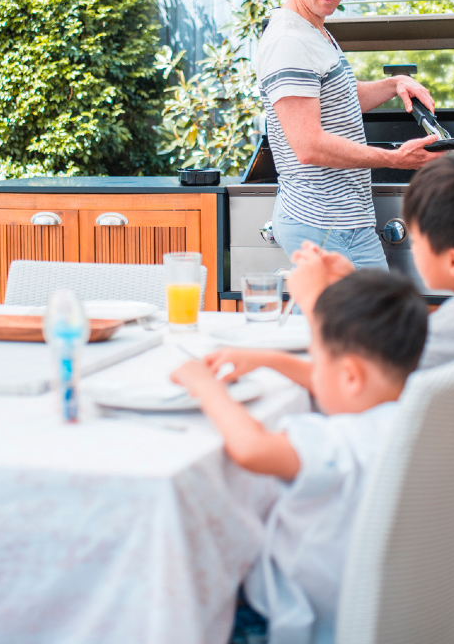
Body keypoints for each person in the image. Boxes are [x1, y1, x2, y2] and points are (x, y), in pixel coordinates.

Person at [170, 271, 427, 644]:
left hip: (294, 616)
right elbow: (344, 382)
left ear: (351, 376)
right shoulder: (417, 417)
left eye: (316, 360)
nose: (313, 371)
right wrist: (269, 359)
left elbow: (252, 449)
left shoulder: (337, 441)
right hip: (382, 605)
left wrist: (205, 387)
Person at [208, 149, 454, 384]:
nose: (414, 251)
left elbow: (345, 387)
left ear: (453, 261)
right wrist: (351, 282)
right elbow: (387, 348)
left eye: (416, 244)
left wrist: (315, 304)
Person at [257, 0, 439, 269]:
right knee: (371, 324)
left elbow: (337, 98)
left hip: (343, 222)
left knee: (354, 324)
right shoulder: (289, 41)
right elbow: (308, 146)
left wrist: (392, 84)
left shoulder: (314, 30)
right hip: (322, 226)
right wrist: (393, 158)